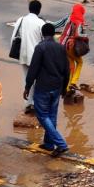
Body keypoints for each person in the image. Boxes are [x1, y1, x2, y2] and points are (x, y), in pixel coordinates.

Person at [25, 22, 69, 156]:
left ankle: (61, 144)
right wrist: (64, 88)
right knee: (52, 116)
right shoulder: (61, 48)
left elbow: (33, 69)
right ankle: (49, 144)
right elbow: (67, 69)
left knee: (42, 115)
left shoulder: (40, 48)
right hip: (57, 86)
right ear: (54, 33)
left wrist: (27, 86)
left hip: (43, 87)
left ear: (42, 34)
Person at [12, 0, 46, 113]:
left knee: (26, 79)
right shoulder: (41, 23)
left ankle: (28, 104)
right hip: (37, 57)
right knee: (38, 80)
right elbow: (44, 40)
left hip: (23, 55)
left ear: (29, 9)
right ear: (39, 10)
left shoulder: (20, 20)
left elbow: (14, 38)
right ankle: (36, 104)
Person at [59, 4, 87, 99]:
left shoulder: (69, 19)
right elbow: (78, 34)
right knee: (80, 62)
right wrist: (86, 36)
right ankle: (74, 82)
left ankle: (67, 88)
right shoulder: (79, 21)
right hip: (71, 46)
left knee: (71, 66)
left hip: (62, 44)